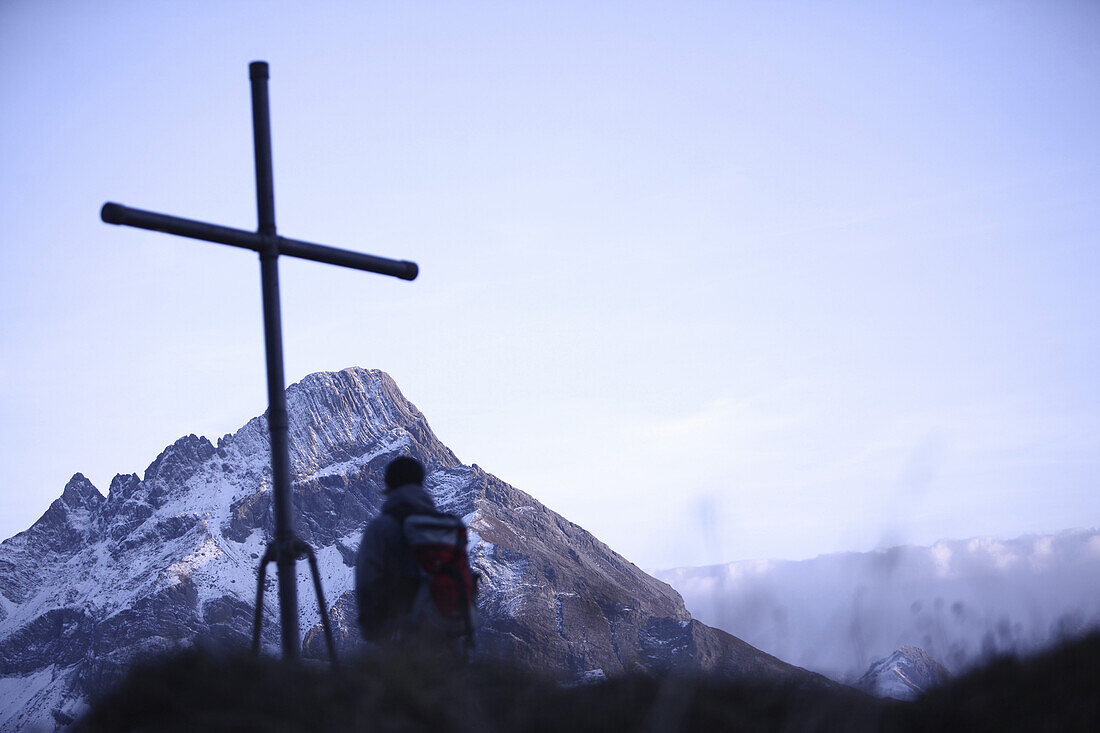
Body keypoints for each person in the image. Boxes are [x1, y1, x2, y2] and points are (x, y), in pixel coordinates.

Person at [355, 456, 477, 651]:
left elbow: (368, 583)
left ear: (388, 486)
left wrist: (373, 631)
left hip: (400, 636)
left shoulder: (381, 528)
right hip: (447, 632)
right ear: (421, 483)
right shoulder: (447, 526)